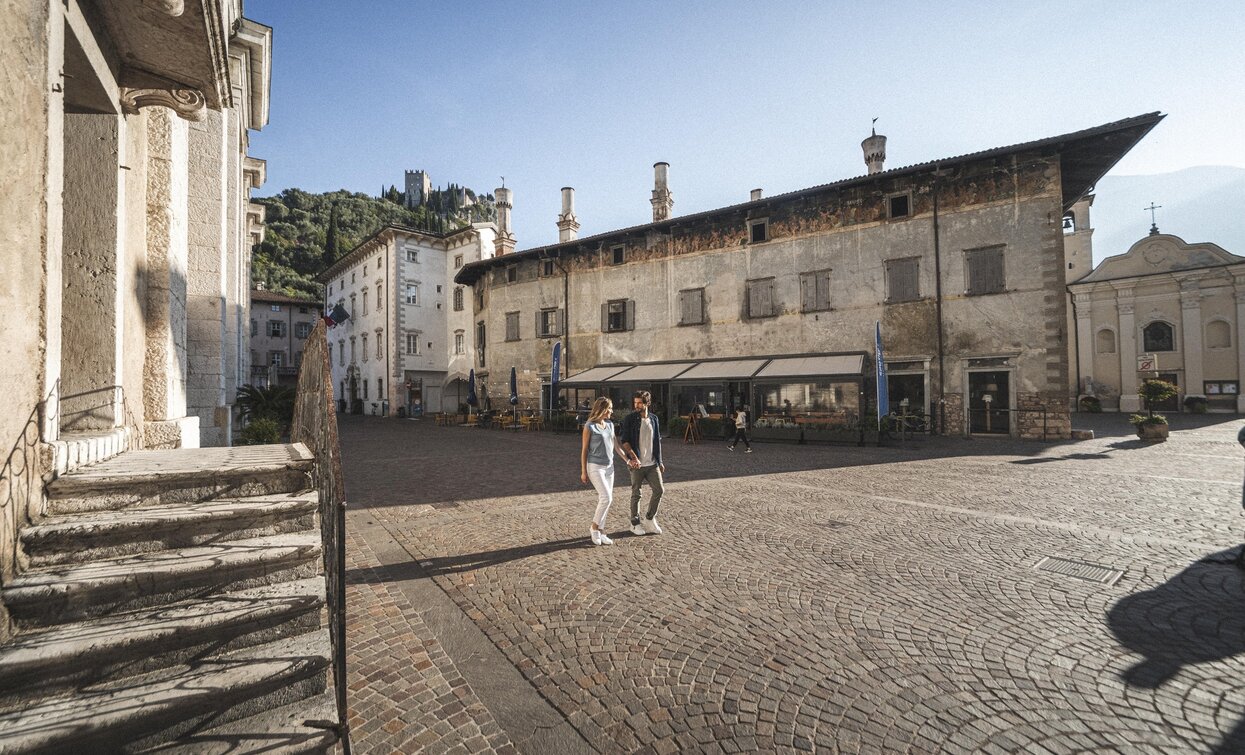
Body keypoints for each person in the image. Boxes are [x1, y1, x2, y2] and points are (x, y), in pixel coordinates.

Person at [579, 397, 632, 546]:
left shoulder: (609, 425)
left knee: (608, 500)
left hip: (610, 467)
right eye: (609, 408)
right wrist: (583, 471)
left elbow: (617, 446)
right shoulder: (589, 426)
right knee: (606, 498)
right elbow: (584, 450)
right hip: (595, 467)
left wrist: (627, 460)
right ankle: (594, 528)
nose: (612, 411)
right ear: (602, 409)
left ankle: (601, 531)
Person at [620, 390, 665, 535]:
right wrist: (634, 457)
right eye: (635, 403)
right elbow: (625, 442)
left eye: (640, 403)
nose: (637, 405)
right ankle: (634, 523)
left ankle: (650, 519)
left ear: (647, 403)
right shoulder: (630, 419)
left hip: (652, 464)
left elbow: (657, 441)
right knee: (636, 493)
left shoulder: (654, 419)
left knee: (659, 490)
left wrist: (660, 461)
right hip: (637, 464)